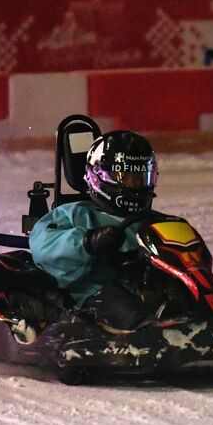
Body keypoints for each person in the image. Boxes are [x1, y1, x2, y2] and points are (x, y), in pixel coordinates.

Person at [29, 130, 162, 329]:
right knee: (121, 304)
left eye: (140, 177)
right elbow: (42, 246)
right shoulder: (75, 214)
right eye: (126, 177)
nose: (135, 185)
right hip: (94, 294)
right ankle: (152, 335)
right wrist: (87, 242)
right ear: (99, 177)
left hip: (144, 289)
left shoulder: (155, 221)